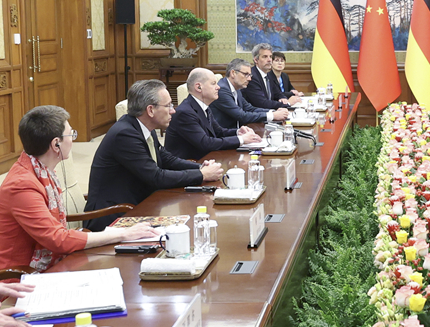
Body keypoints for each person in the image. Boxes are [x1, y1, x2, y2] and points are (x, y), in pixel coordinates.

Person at [0, 106, 161, 268]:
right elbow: (57, 239)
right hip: (20, 275)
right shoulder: (22, 186)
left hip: (53, 262)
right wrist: (123, 234)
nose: (73, 140)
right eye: (71, 134)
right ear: (56, 144)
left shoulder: (41, 169)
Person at [86, 80, 224, 230]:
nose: (173, 111)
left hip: (139, 206)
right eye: (168, 105)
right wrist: (201, 175)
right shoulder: (125, 134)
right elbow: (156, 177)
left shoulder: (145, 128)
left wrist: (200, 167)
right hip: (113, 216)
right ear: (150, 110)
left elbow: (167, 159)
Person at [164, 68, 262, 161]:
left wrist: (238, 132)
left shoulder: (204, 106)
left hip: (206, 159)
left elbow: (219, 132)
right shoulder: (185, 112)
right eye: (213, 83)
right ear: (198, 87)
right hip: (189, 165)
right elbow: (206, 143)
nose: (218, 87)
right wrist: (241, 139)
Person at [210, 59, 290, 129]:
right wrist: (272, 116)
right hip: (225, 136)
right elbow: (241, 116)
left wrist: (273, 111)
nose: (249, 79)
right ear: (233, 73)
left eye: (250, 75)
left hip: (238, 132)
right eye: (246, 74)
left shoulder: (236, 88)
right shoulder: (222, 90)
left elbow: (249, 108)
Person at [244, 43, 301, 109]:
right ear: (256, 60)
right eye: (265, 57)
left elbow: (277, 93)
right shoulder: (252, 76)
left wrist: (282, 98)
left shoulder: (268, 75)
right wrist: (288, 103)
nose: (269, 60)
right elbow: (261, 103)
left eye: (270, 56)